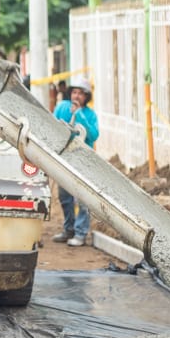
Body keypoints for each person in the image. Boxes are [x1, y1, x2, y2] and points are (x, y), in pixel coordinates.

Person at [51, 77, 99, 247]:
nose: (76, 96)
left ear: (86, 96)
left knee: (83, 199)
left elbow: (93, 135)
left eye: (80, 93)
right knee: (64, 197)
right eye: (74, 92)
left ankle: (80, 233)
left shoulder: (90, 114)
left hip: (83, 161)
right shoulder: (62, 107)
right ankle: (68, 229)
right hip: (65, 158)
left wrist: (79, 115)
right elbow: (52, 125)